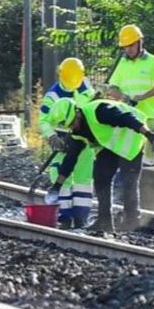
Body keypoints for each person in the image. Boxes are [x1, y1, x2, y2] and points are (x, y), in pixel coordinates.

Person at [45, 96, 154, 233]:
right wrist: (56, 187)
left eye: (73, 122)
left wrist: (149, 134)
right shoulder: (76, 133)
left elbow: (127, 117)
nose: (73, 127)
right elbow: (70, 160)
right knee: (101, 178)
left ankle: (132, 222)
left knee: (129, 181)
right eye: (69, 126)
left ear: (77, 112)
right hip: (110, 146)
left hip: (131, 139)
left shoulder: (99, 111)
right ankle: (105, 221)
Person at [37, 57, 97, 228]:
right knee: (61, 177)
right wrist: (52, 137)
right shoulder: (53, 95)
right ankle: (65, 216)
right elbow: (44, 120)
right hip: (62, 141)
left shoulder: (86, 88)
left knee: (83, 179)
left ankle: (81, 217)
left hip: (84, 141)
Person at [106, 24, 154, 167]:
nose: (128, 49)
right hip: (128, 113)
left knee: (151, 144)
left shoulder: (153, 61)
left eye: (131, 45)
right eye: (125, 46)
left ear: (140, 42)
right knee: (128, 150)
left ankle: (153, 168)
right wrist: (123, 97)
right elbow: (112, 88)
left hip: (148, 113)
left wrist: (144, 96)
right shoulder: (122, 63)